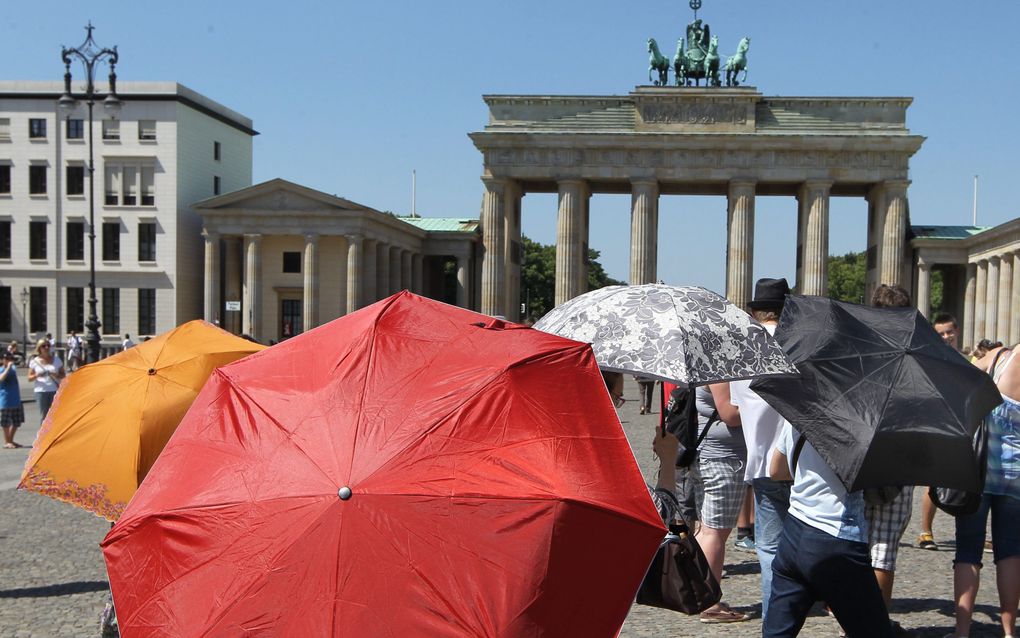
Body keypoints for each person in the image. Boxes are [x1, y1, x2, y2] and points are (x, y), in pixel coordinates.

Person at [764, 422, 893, 637]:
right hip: (837, 537)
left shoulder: (798, 413)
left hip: (794, 531)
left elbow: (776, 470)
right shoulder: (860, 425)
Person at [729, 277, 792, 624]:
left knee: (769, 549)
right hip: (801, 463)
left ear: (755, 312)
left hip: (762, 462)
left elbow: (737, 409)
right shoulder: (798, 342)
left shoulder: (741, 349)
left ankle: (774, 617)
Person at [948, 344, 1020, 638]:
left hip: (977, 471)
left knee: (967, 549)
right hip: (1016, 476)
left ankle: (962, 631)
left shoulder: (1001, 356)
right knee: (1011, 551)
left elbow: (956, 377)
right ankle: (1008, 631)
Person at [864, 284, 916, 635]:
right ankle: (874, 624)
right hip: (899, 458)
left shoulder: (861, 352)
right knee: (883, 548)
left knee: (855, 541)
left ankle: (848, 618)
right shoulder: (915, 356)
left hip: (858, 455)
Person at [692, 383, 750, 624]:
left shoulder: (710, 360)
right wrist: (763, 403)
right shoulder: (719, 369)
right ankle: (710, 604)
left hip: (713, 455)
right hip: (723, 459)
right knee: (715, 533)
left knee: (707, 531)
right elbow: (730, 414)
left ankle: (700, 596)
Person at [918, 312, 962, 551]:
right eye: (941, 333)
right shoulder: (931, 359)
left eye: (949, 332)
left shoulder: (966, 360)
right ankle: (926, 530)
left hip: (959, 425)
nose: (946, 337)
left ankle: (966, 531)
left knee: (965, 480)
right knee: (932, 482)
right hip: (936, 424)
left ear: (957, 331)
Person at [28, 339, 64, 422]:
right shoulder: (34, 361)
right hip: (41, 391)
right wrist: (37, 375)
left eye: (48, 345)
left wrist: (56, 375)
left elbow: (63, 375)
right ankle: (43, 434)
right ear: (39, 348)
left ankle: (54, 434)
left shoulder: (57, 360)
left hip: (54, 390)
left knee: (55, 415)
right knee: (44, 415)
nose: (46, 347)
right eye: (44, 346)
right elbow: (29, 378)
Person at [0, 351, 24, 449]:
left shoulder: (13, 369)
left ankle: (11, 440)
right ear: (2, 360)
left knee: (17, 422)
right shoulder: (1, 369)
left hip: (16, 399)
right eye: (7, 359)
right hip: (5, 400)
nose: (9, 360)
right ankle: (7, 441)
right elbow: (1, 379)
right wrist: (8, 367)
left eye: (10, 358)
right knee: (5, 422)